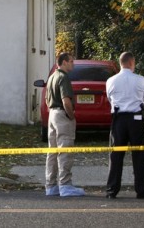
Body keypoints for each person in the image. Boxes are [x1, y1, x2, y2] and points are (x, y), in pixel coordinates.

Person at [104, 52, 144, 199]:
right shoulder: (140, 79)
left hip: (119, 119)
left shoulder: (111, 81)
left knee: (116, 155)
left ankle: (112, 190)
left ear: (120, 63)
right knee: (139, 155)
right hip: (136, 119)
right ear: (132, 63)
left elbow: (109, 97)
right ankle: (141, 190)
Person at [44, 52, 85, 197]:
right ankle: (65, 185)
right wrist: (71, 116)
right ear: (64, 62)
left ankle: (51, 185)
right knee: (65, 150)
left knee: (53, 151)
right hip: (62, 114)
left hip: (52, 115)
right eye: (71, 61)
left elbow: (46, 99)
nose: (73, 64)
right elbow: (66, 100)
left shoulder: (52, 77)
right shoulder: (63, 77)